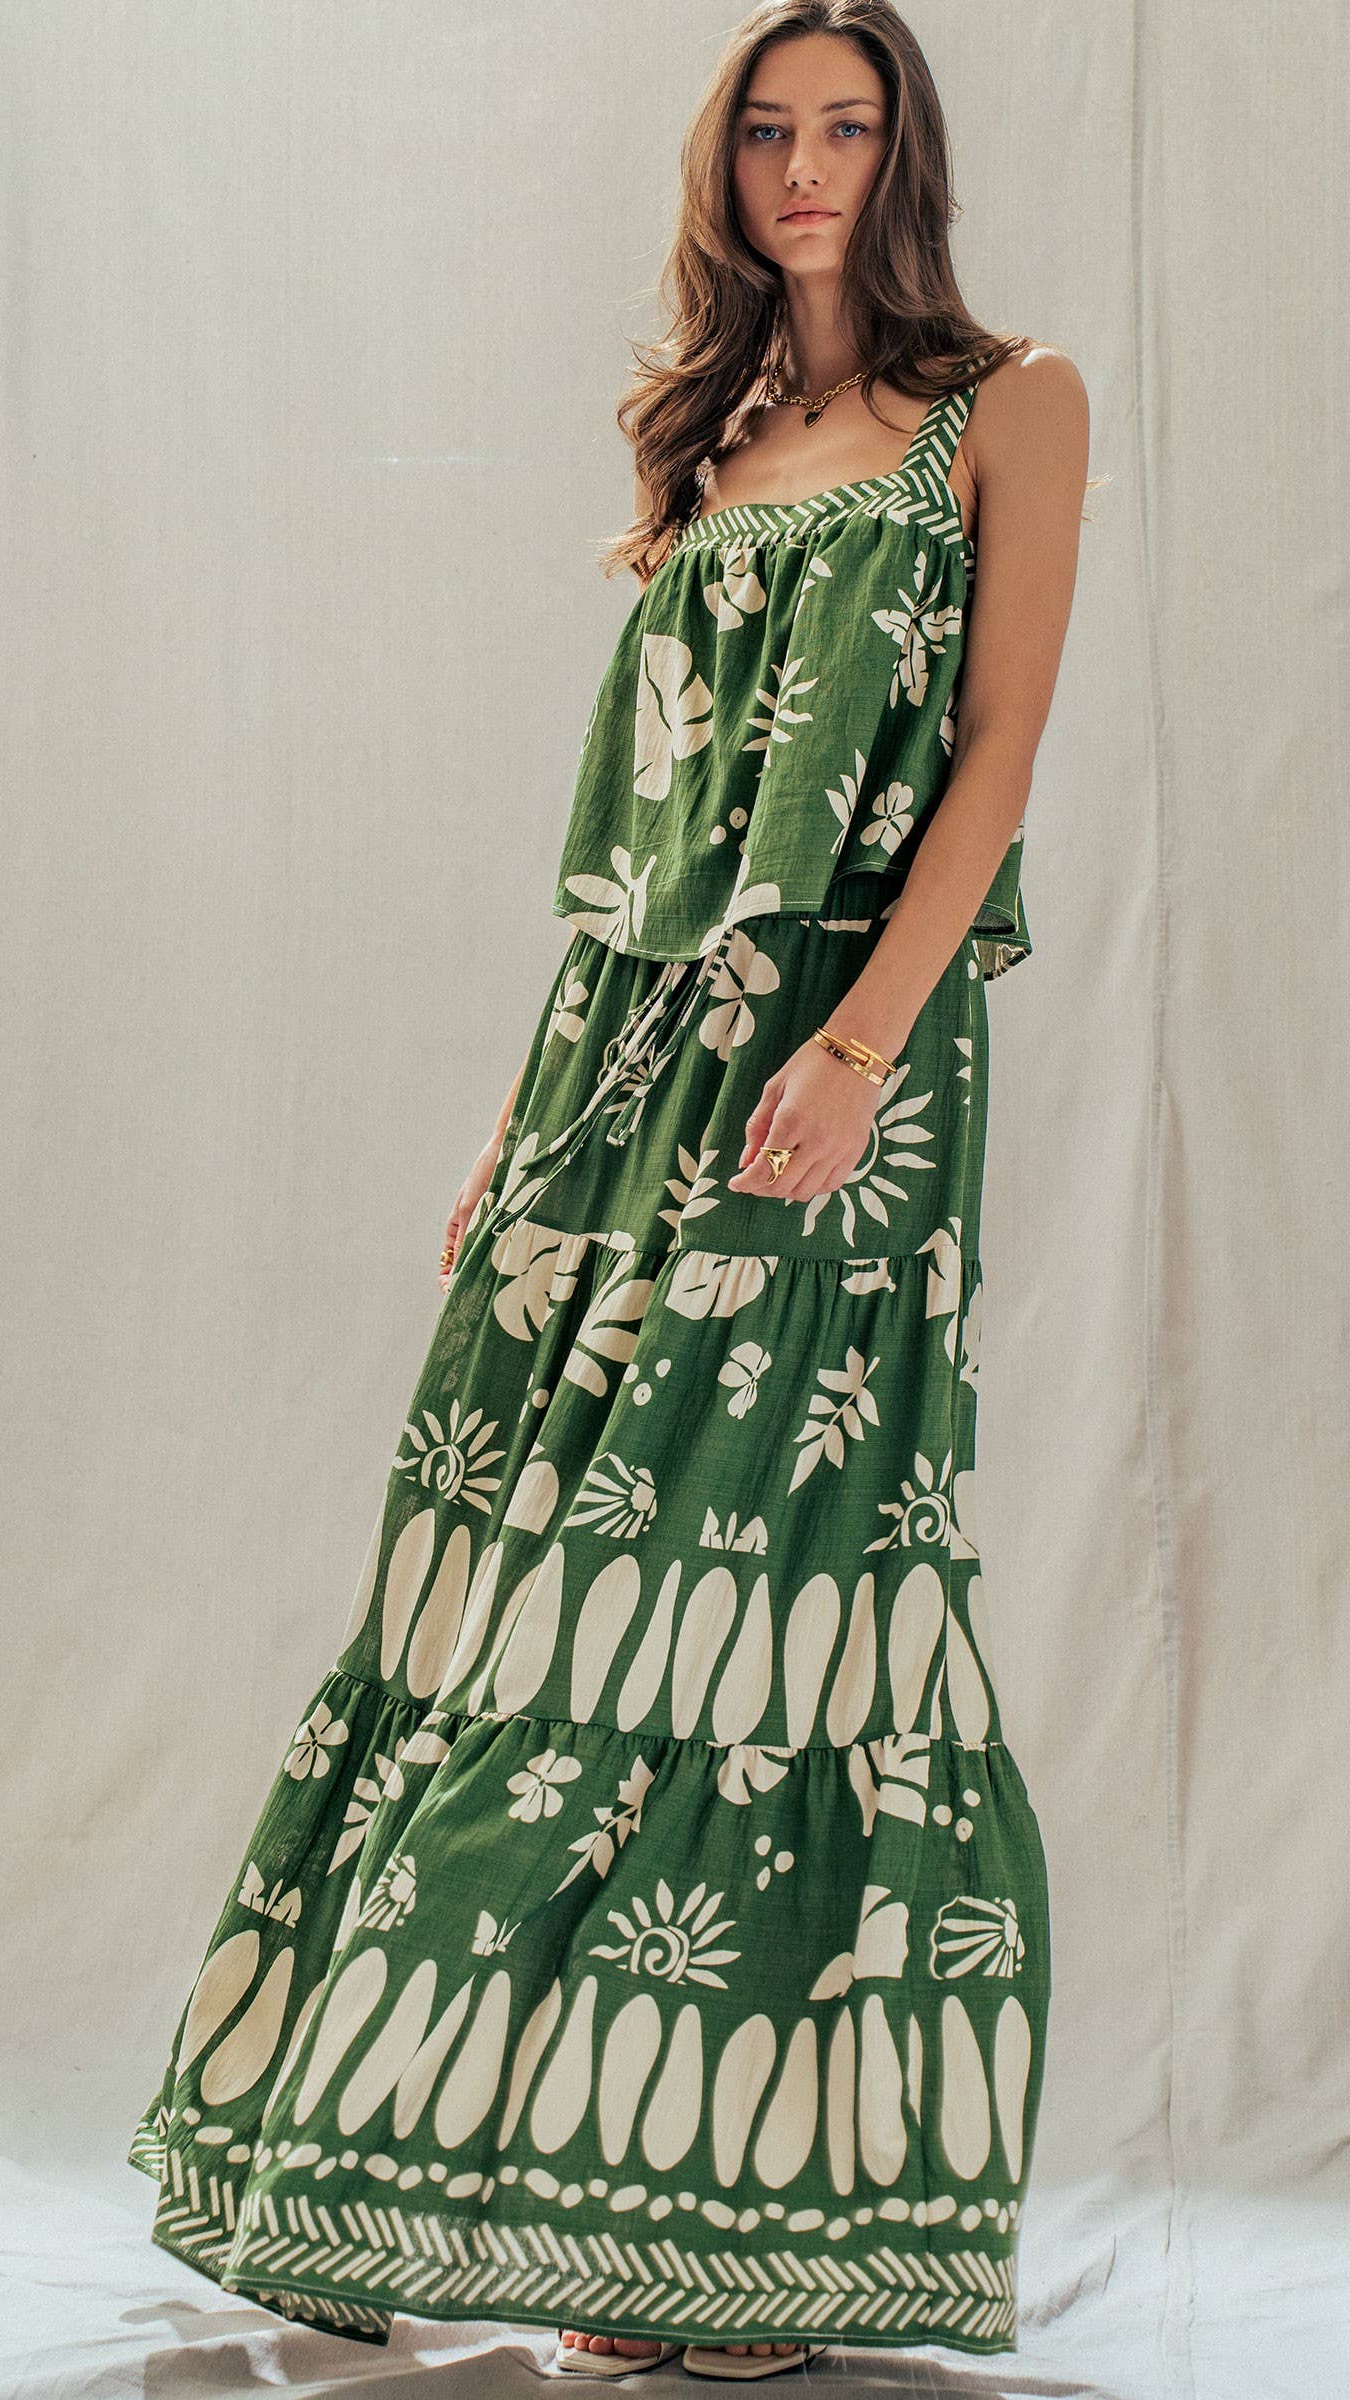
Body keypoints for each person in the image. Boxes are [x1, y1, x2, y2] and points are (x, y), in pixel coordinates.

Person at [127, 0, 1088, 2379]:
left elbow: (994, 754)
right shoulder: (713, 440)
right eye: (764, 129)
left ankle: (726, 2237)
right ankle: (421, 2179)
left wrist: (856, 1047)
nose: (803, 165)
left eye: (844, 126)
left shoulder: (1006, 405)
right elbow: (633, 843)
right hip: (612, 1068)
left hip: (842, 1055)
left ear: (905, 155)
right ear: (718, 164)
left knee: (747, 1588)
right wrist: (509, 1120)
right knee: (514, 1582)